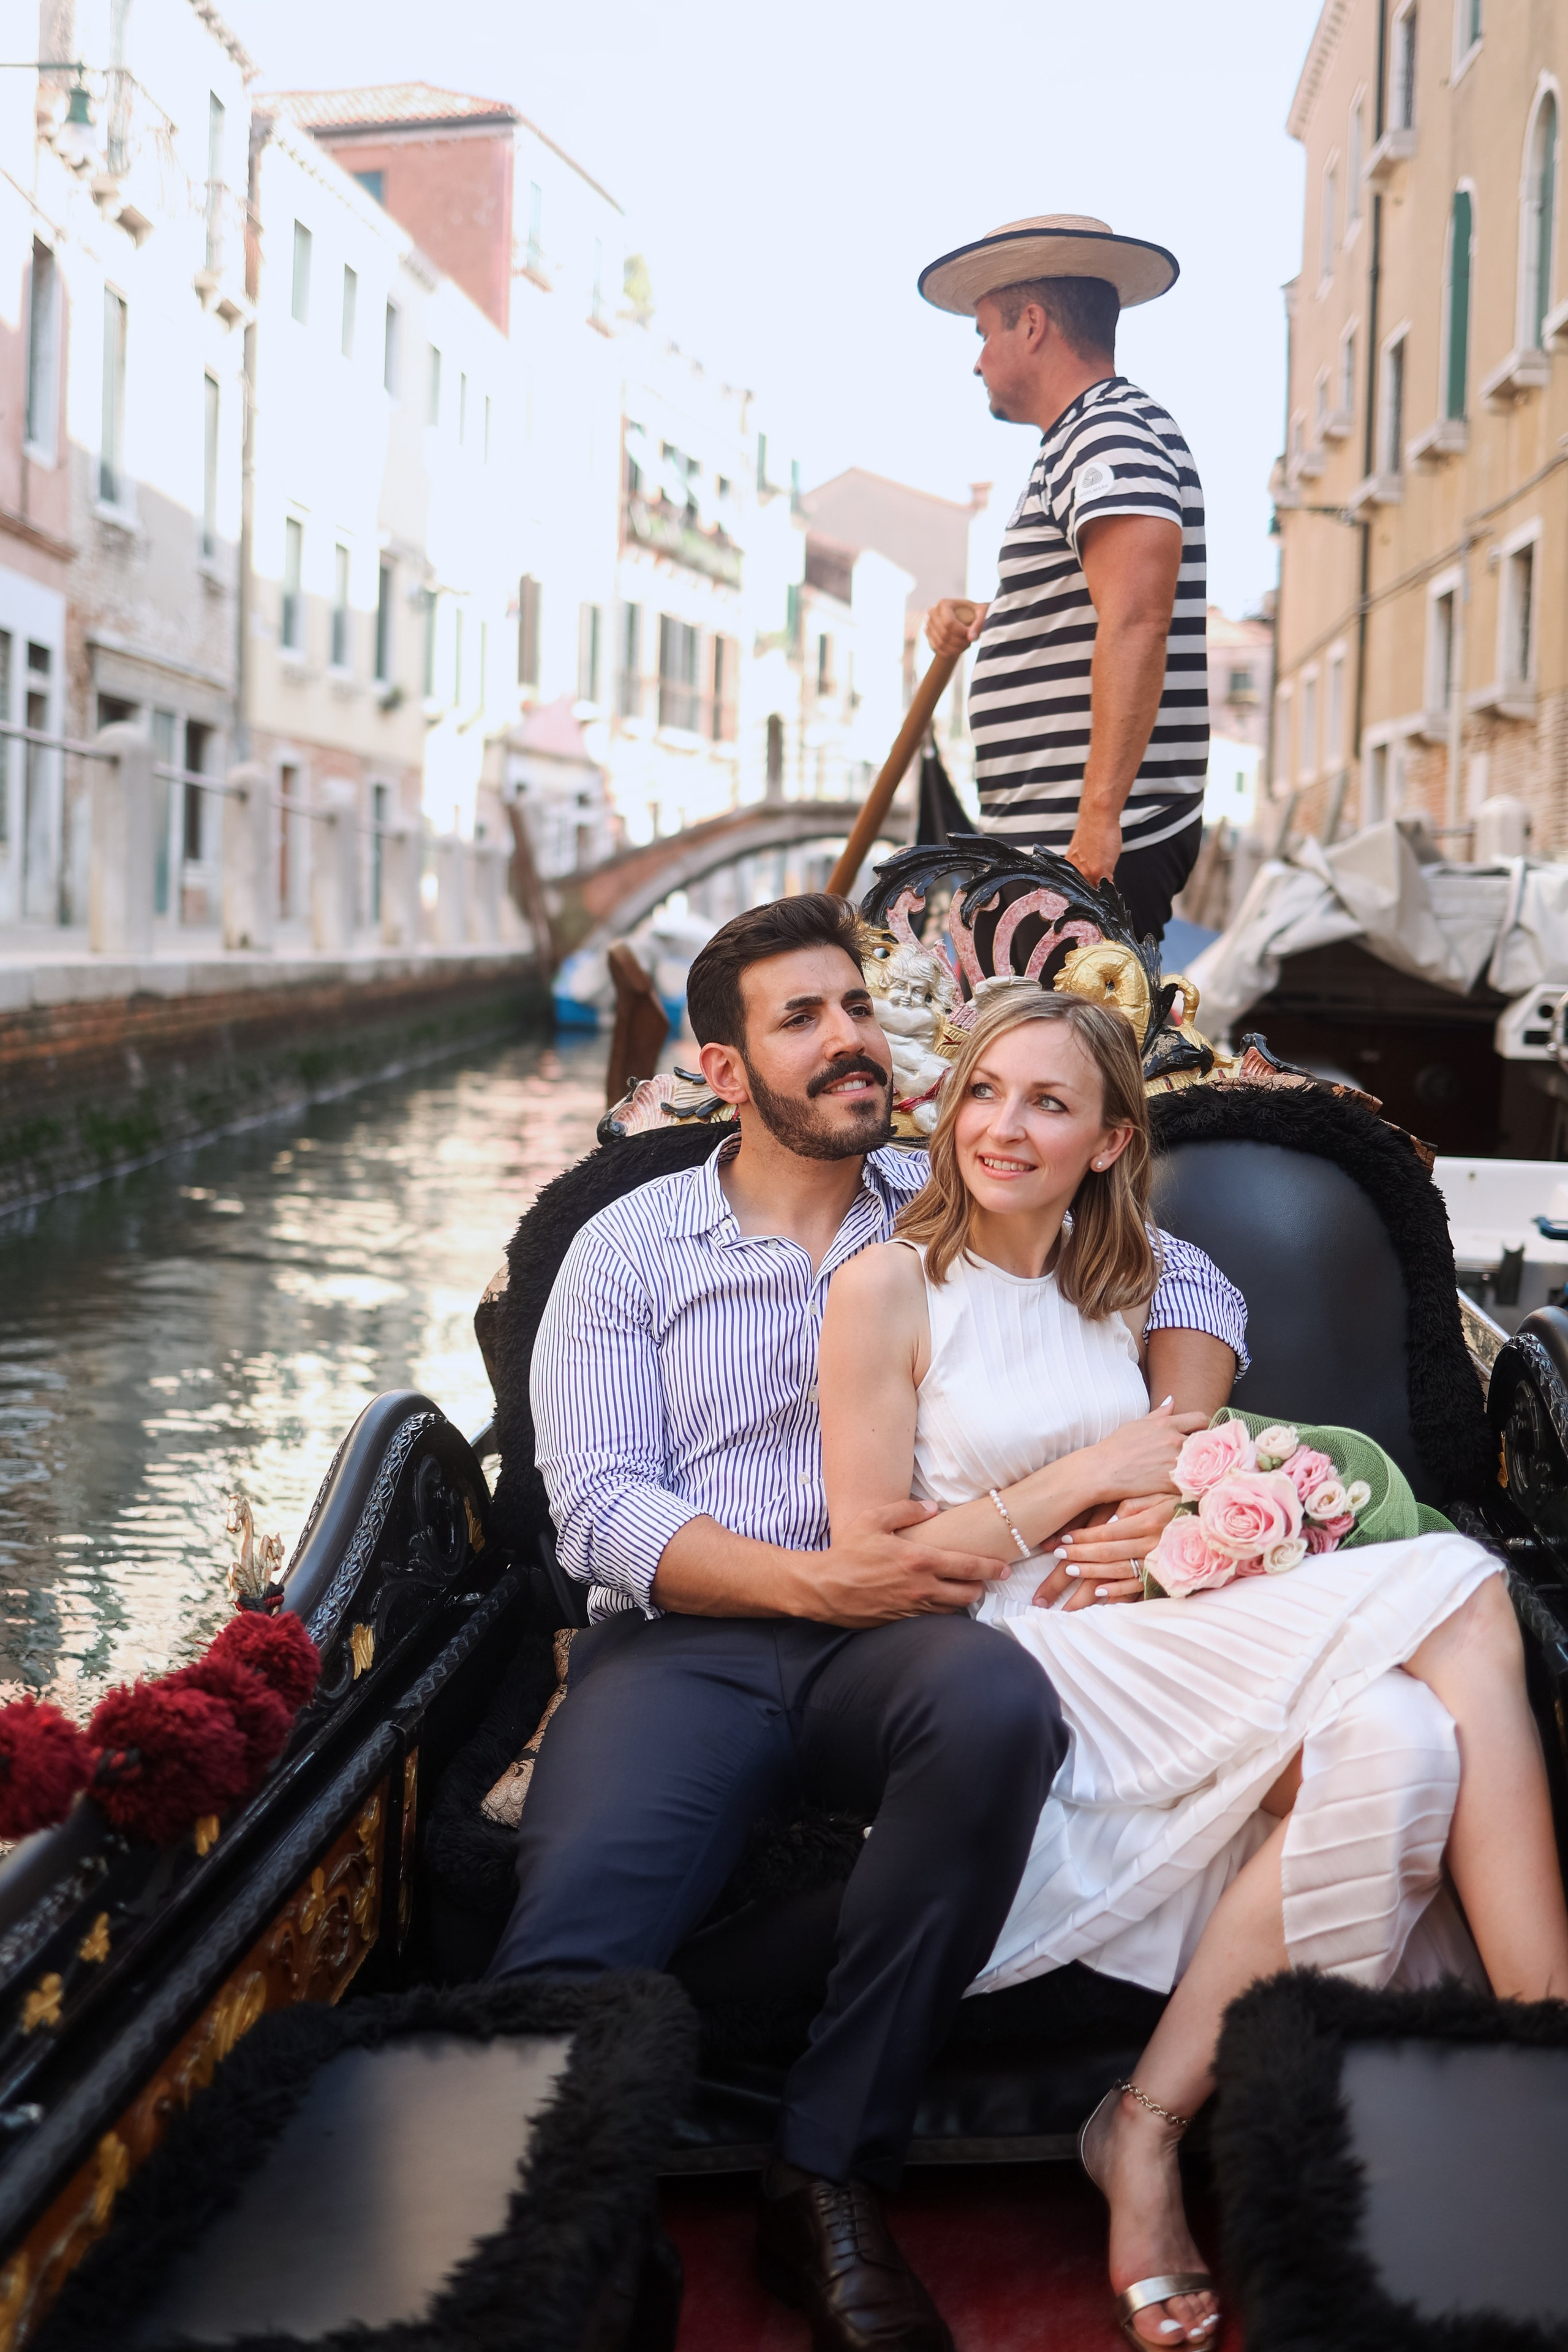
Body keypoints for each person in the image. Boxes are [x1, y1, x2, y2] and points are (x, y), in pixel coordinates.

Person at [490, 893, 1248, 2352]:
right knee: (573, 1933)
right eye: (802, 1018)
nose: (851, 1040)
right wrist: (809, 1581)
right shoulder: (626, 1243)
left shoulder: (952, 1174)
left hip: (908, 1635)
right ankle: (559, 2247)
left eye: (855, 1005)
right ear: (723, 1070)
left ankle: (825, 2167)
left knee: (993, 1708)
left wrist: (1173, 1458)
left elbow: (1187, 1272)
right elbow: (592, 1507)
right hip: (695, 1638)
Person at [819, 984, 1568, 2348]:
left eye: (1048, 1103)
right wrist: (1090, 1478)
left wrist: (1169, 1512)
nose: (1003, 1126)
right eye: (982, 1091)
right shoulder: (884, 1287)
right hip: (1012, 1653)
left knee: (1401, 1745)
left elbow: (1188, 1442)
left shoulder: (1138, 1280)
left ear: (1107, 1141)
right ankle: (1540, 2057)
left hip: (1147, 1632)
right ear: (944, 1111)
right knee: (1461, 1590)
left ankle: (1145, 2128)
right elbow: (873, 1553)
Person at [920, 214, 1207, 944]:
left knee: (1058, 1058)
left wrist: (1096, 824)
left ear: (1034, 326)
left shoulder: (1107, 433)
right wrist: (997, 616)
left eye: (984, 332)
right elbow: (1096, 601)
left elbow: (1137, 619)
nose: (976, 361)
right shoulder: (1084, 441)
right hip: (1052, 843)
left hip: (1084, 850)